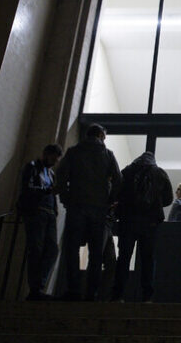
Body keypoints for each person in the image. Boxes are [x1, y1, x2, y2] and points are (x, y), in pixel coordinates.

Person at [55, 123, 121, 301]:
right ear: (100, 135)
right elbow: (118, 179)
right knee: (96, 253)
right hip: (99, 209)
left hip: (76, 205)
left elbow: (60, 176)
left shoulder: (73, 152)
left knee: (72, 248)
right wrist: (109, 200)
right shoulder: (107, 155)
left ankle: (73, 289)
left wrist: (65, 198)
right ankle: (91, 292)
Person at [111, 151, 173, 302]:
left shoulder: (127, 171)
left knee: (124, 258)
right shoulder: (159, 173)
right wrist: (155, 204)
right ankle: (147, 296)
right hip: (150, 223)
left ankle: (118, 295)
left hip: (129, 220)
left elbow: (116, 191)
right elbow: (168, 198)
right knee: (148, 259)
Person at [17, 143, 63, 300]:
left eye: (56, 159)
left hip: (48, 214)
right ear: (45, 154)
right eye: (53, 158)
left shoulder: (50, 173)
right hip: (36, 212)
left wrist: (54, 210)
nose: (54, 162)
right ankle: (35, 288)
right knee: (36, 250)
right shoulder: (32, 168)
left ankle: (38, 286)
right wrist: (48, 191)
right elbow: (28, 189)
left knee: (52, 250)